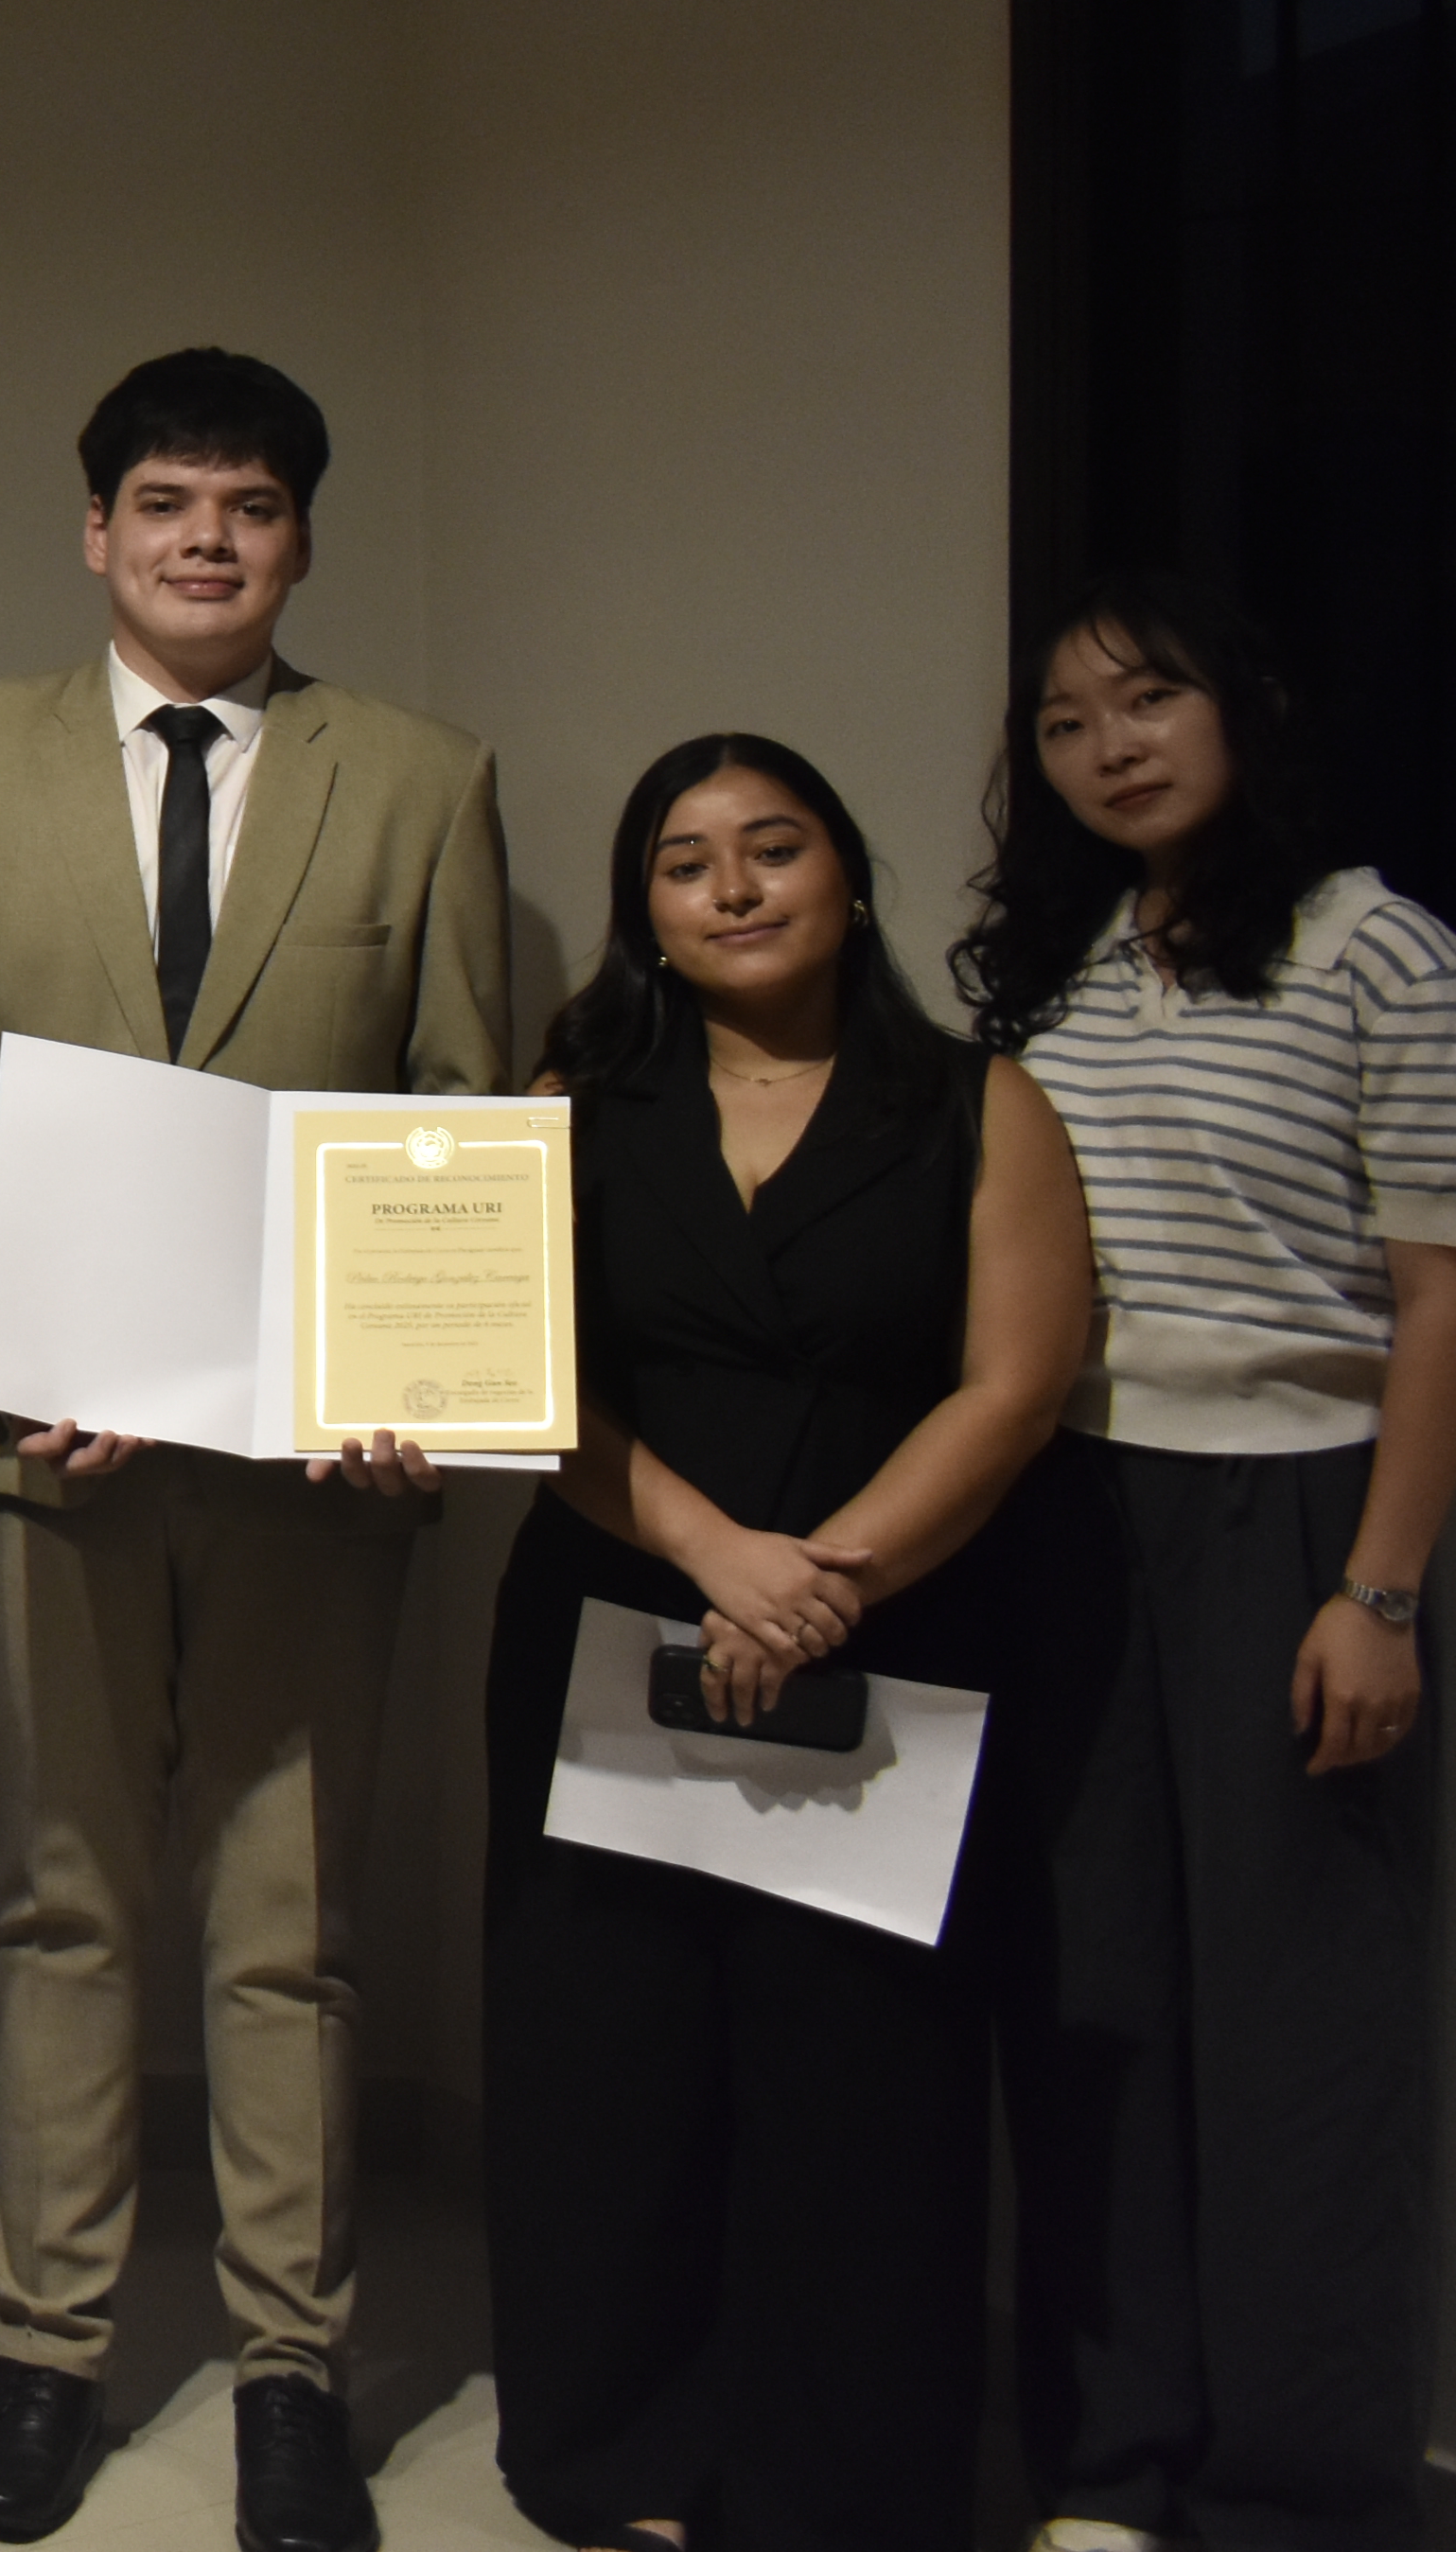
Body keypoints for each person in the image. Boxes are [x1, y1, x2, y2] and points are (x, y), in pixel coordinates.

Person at [0, 346, 511, 2552]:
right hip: (53, 1442)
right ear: (95, 530)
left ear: (301, 535)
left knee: (294, 1924)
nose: (204, 538)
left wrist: (407, 1370)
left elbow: (459, 1109)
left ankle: (290, 2367)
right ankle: (48, 2346)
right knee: (60, 1904)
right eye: (163, 501)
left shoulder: (419, 775)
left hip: (316, 1466)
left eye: (247, 503)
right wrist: (22, 1346)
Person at [477, 733, 1086, 2552]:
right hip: (613, 1618)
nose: (734, 887)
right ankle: (622, 2461)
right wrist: (715, 1554)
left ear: (849, 879)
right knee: (612, 2063)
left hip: (892, 1635)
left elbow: (1018, 1385)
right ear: (645, 913)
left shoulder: (980, 1103)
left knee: (861, 2082)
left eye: (774, 848)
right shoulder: (575, 1094)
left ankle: (842, 2483)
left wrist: (826, 1581)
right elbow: (526, 1379)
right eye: (686, 861)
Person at [957, 582, 1455, 2552]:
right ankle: (1113, 2457)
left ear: (1243, 706)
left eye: (1150, 697)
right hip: (1075, 1506)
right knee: (1094, 1999)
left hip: (1302, 1517)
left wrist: (1385, 1586)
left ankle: (1298, 2481)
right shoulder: (1048, 961)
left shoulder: (1379, 947)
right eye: (1071, 720)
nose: (1112, 744)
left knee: (1303, 2019)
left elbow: (1437, 1300)